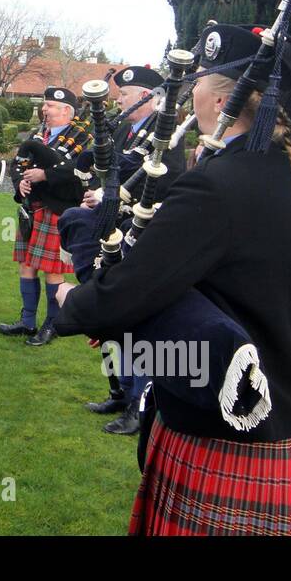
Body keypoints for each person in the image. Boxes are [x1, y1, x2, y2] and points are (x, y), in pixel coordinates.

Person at [52, 24, 291, 535]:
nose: (190, 92)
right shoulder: (281, 172)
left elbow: (131, 290)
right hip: (286, 422)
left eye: (198, 80)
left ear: (224, 96)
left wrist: (75, 301)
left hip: (224, 436)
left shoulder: (219, 186)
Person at [77, 64, 187, 436]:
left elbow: (160, 182)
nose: (118, 101)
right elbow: (113, 169)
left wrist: (112, 199)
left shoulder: (166, 133)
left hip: (146, 236)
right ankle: (121, 392)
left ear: (144, 96)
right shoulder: (131, 129)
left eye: (124, 96)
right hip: (120, 232)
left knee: (138, 323)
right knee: (117, 318)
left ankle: (140, 407)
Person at [0, 87, 90, 346]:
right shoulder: (39, 133)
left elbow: (78, 171)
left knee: (52, 271)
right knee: (26, 265)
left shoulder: (83, 138)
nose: (45, 110)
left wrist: (45, 175)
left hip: (58, 210)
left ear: (66, 111)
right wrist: (20, 184)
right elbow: (19, 162)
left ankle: (52, 325)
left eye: (50, 105)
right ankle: (27, 321)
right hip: (31, 207)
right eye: (45, 105)